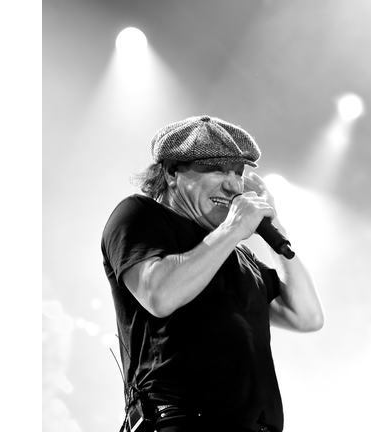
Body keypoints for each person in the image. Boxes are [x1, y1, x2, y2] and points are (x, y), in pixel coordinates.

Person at [101, 115, 324, 432]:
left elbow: (307, 316)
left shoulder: (236, 255)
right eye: (219, 169)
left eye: (239, 173)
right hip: (183, 422)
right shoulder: (139, 214)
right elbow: (159, 295)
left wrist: (275, 228)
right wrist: (234, 228)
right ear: (172, 171)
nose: (234, 185)